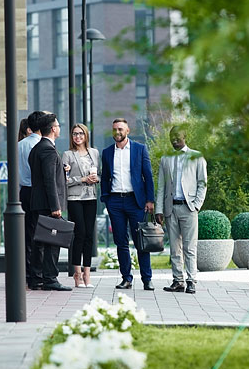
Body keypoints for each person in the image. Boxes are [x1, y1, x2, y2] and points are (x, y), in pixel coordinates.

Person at [100, 117, 155, 291]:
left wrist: (150, 200)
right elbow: (105, 178)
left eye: (121, 129)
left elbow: (148, 176)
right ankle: (127, 279)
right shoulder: (107, 152)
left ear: (127, 131)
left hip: (135, 201)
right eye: (115, 129)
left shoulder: (140, 149)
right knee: (121, 242)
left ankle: (147, 279)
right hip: (115, 201)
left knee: (141, 241)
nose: (117, 132)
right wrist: (106, 199)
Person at [155, 125, 208, 293]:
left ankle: (191, 280)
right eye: (172, 136)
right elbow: (161, 186)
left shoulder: (197, 157)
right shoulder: (165, 158)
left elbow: (202, 183)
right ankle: (178, 281)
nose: (175, 139)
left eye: (178, 136)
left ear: (185, 136)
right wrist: (159, 209)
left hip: (189, 208)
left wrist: (197, 204)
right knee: (175, 248)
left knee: (189, 247)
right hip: (171, 208)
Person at [28, 112, 70, 291]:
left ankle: (37, 278)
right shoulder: (47, 149)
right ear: (53, 129)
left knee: (39, 243)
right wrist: (56, 207)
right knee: (52, 242)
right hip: (48, 204)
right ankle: (50, 279)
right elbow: (49, 180)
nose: (60, 128)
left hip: (39, 202)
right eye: (58, 125)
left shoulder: (37, 148)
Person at [63, 124, 101, 288]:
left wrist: (95, 179)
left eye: (80, 134)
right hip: (74, 198)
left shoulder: (94, 152)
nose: (77, 137)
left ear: (86, 135)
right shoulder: (67, 155)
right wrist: (82, 179)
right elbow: (64, 180)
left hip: (90, 197)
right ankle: (76, 273)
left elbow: (98, 174)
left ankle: (87, 274)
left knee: (89, 236)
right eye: (74, 134)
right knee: (80, 233)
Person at [17, 112, 46, 290]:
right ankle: (38, 274)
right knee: (40, 234)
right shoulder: (40, 145)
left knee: (27, 235)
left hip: (23, 192)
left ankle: (28, 273)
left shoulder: (19, 144)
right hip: (37, 191)